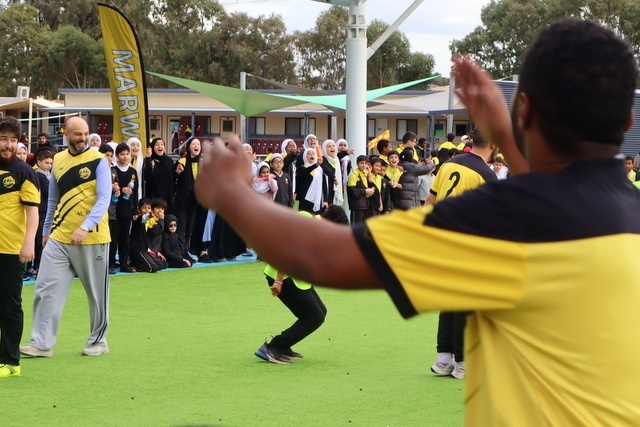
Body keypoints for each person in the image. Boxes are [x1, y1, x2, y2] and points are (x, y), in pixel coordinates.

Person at [193, 19, 640, 425]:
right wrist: (505, 135)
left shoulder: (502, 219)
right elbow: (563, 198)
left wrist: (233, 193)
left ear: (524, 109)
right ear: (628, 120)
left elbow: (320, 255)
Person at [21, 116, 111, 358]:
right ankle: (41, 343)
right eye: (77, 134)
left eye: (85, 133)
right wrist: (46, 231)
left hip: (93, 237)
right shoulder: (58, 160)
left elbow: (104, 198)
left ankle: (98, 341)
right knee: (45, 287)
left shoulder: (99, 160)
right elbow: (52, 200)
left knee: (96, 294)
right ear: (66, 134)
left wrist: (85, 226)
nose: (82, 138)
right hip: (60, 237)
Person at [425, 130, 498, 380]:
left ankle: (444, 357)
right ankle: (463, 362)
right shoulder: (487, 175)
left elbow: (430, 201)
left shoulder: (448, 164)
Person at [255, 207, 349, 364]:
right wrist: (278, 281)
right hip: (283, 278)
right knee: (314, 316)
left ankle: (284, 346)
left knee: (320, 312)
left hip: (299, 280)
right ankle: (273, 347)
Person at [0, 117, 40, 379]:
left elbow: (33, 213)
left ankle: (11, 361)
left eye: (13, 140)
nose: (8, 144)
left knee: (9, 305)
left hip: (11, 250)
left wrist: (28, 243)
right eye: (3, 138)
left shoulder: (25, 172)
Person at [109, 143, 138, 273]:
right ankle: (110, 264)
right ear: (117, 156)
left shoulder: (133, 172)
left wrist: (135, 209)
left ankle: (124, 263)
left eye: (127, 154)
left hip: (127, 209)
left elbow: (136, 191)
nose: (125, 157)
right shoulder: (113, 171)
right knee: (113, 238)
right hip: (115, 210)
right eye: (122, 154)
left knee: (125, 238)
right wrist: (120, 189)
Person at [32, 149, 54, 278]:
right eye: (46, 163)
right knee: (41, 240)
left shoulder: (48, 175)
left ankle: (42, 266)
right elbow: (49, 191)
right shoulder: (39, 176)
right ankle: (37, 266)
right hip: (42, 211)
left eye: (51, 163)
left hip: (48, 211)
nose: (49, 166)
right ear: (39, 162)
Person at [144, 137, 175, 213]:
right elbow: (147, 177)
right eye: (157, 144)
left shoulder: (169, 161)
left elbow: (173, 177)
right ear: (153, 147)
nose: (160, 146)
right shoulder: (150, 160)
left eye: (162, 144)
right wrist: (150, 164)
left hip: (167, 197)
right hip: (153, 196)